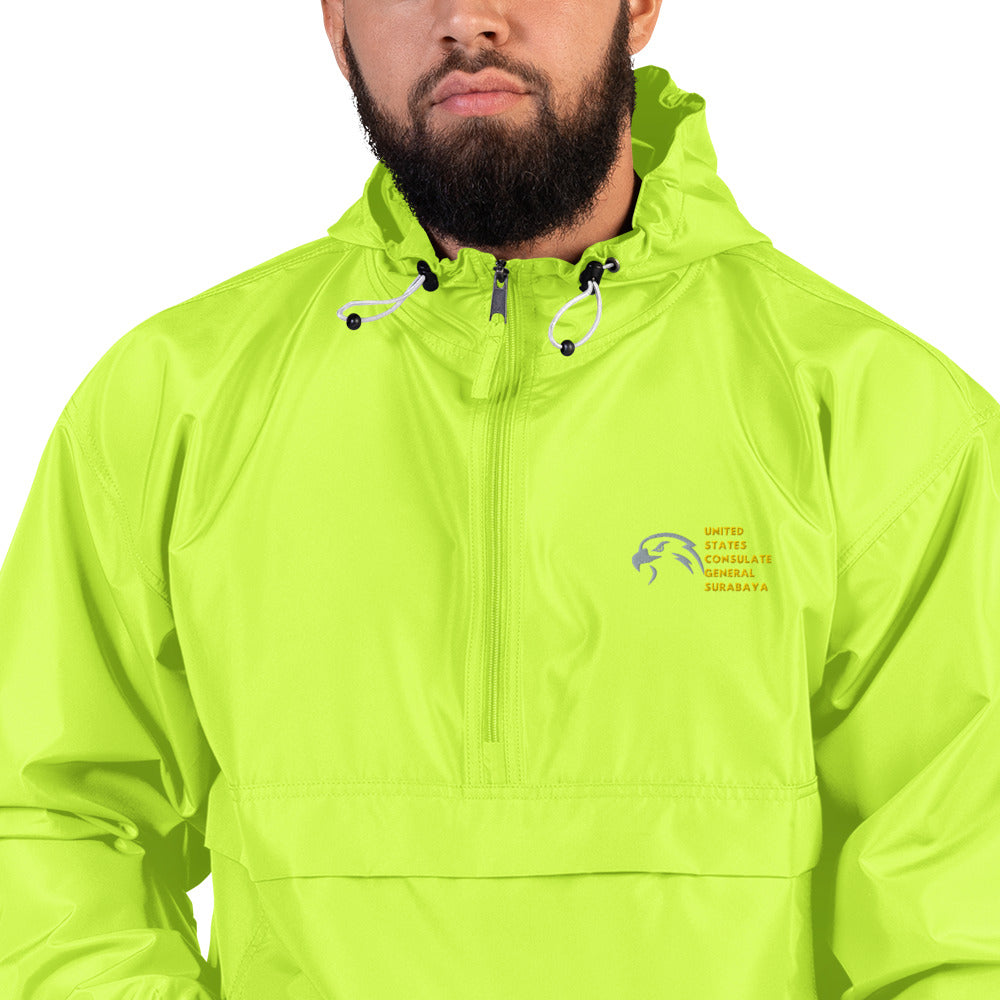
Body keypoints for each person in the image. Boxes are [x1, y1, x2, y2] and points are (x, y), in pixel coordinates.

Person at [1, 0, 998, 997]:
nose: (469, 18)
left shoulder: (881, 419)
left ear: (640, 6)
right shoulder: (172, 403)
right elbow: (49, 822)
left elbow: (965, 914)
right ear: (337, 24)